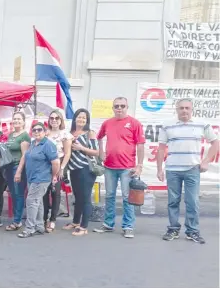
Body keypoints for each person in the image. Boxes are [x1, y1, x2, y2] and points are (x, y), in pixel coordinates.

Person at [157, 99, 219, 244]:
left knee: (192, 201)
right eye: (181, 108)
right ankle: (173, 229)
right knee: (173, 201)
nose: (184, 110)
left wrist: (206, 161)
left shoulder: (201, 124)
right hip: (172, 169)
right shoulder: (167, 125)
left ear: (192, 109)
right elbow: (161, 148)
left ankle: (192, 231)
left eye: (187, 108)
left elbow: (215, 142)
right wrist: (159, 169)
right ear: (176, 109)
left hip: (192, 169)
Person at [94, 97, 145, 239]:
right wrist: (101, 152)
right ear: (113, 108)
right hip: (109, 166)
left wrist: (139, 165)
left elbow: (140, 145)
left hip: (127, 168)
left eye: (122, 106)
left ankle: (128, 226)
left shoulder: (135, 123)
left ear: (127, 107)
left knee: (127, 197)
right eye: (116, 106)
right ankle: (108, 224)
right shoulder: (107, 123)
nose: (119, 108)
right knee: (109, 195)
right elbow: (99, 137)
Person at [18, 122, 60, 238]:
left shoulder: (48, 144)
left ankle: (29, 228)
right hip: (32, 177)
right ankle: (39, 226)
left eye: (39, 129)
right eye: (34, 130)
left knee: (31, 201)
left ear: (45, 131)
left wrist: (53, 175)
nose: (36, 132)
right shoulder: (33, 143)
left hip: (41, 178)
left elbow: (56, 162)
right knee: (38, 202)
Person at [63, 109, 98, 236]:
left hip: (86, 170)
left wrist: (81, 148)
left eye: (84, 118)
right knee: (77, 197)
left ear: (87, 120)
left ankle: (84, 226)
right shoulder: (70, 133)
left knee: (85, 197)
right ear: (75, 118)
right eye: (79, 117)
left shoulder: (90, 133)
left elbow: (96, 152)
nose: (81, 120)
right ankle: (76, 222)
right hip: (73, 169)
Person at [43, 109, 73, 232]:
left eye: (57, 118)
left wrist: (61, 168)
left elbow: (67, 153)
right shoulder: (45, 133)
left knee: (55, 193)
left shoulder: (65, 134)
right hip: (45, 165)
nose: (54, 120)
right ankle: (43, 218)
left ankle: (53, 219)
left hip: (59, 164)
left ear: (60, 120)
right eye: (52, 118)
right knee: (44, 192)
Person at [7, 112, 31, 231]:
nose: (16, 121)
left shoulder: (25, 136)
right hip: (9, 167)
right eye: (14, 119)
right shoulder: (11, 135)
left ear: (23, 121)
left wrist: (19, 172)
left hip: (18, 167)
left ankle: (17, 221)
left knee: (19, 194)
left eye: (19, 119)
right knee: (13, 194)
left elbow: (24, 155)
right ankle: (17, 219)